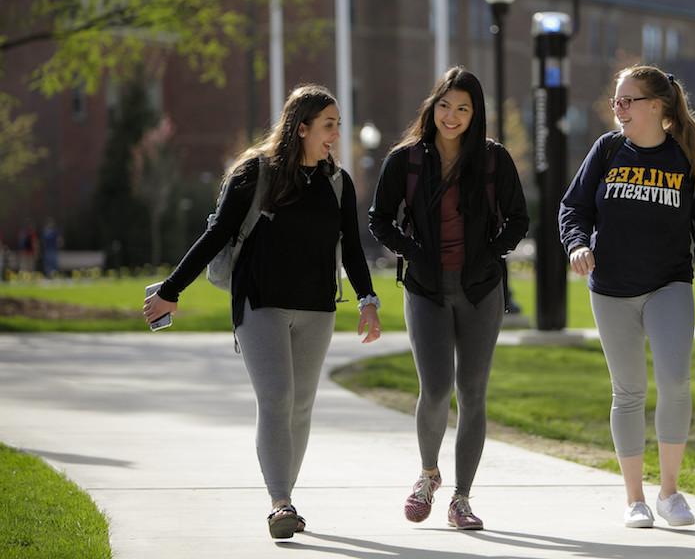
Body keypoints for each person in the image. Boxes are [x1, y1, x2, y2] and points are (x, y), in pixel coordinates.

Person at [142, 84, 382, 539]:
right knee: (276, 399)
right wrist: (173, 289)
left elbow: (352, 248)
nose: (336, 133)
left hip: (316, 307)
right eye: (329, 125)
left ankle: (285, 492)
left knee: (302, 406)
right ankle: (281, 503)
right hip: (260, 303)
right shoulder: (255, 173)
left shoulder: (337, 182)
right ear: (302, 127)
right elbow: (216, 235)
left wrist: (368, 302)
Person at [559, 65, 695, 529]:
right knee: (628, 392)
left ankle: (669, 492)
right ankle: (634, 499)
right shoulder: (606, 150)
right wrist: (577, 243)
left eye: (628, 100)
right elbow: (573, 206)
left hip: (669, 285)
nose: (618, 108)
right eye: (616, 101)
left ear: (657, 106)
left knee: (676, 382)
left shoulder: (687, 158)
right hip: (610, 290)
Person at [369, 67, 528, 530]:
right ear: (432, 106)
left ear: (475, 113)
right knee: (436, 389)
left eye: (462, 108)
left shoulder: (494, 160)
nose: (451, 116)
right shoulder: (406, 160)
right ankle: (427, 474)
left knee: (472, 393)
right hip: (426, 289)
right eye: (444, 105)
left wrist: (488, 255)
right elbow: (379, 218)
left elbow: (518, 219)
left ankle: (462, 498)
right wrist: (414, 254)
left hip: (480, 289)